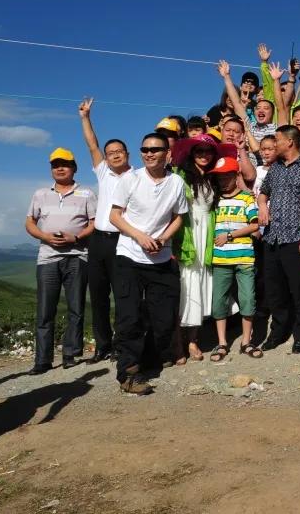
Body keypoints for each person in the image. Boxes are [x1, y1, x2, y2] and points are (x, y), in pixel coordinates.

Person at [109, 132, 188, 395]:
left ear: (167, 153)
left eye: (155, 149)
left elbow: (179, 216)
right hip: (129, 255)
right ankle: (128, 373)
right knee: (129, 316)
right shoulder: (130, 179)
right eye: (145, 150)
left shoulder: (176, 183)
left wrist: (163, 238)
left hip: (161, 257)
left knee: (163, 318)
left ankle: (150, 359)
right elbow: (115, 216)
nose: (149, 154)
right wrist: (140, 237)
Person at [24, 148, 97, 374]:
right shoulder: (40, 194)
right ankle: (42, 360)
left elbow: (94, 223)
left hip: (77, 256)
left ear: (74, 168)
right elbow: (29, 222)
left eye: (64, 164)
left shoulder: (87, 193)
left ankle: (70, 354)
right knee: (45, 310)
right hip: (47, 257)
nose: (60, 168)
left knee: (76, 307)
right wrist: (44, 236)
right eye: (55, 165)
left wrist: (76, 237)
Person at [257, 125, 300, 353]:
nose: (274, 144)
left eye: (277, 140)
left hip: (297, 237)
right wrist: (262, 205)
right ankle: (278, 331)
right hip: (272, 237)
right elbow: (263, 193)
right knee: (275, 290)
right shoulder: (275, 168)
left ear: (290, 142)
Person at [78, 97, 131, 363]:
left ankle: (121, 345)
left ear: (127, 153)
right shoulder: (103, 172)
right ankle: (102, 345)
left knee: (122, 296)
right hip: (98, 241)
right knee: (98, 296)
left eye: (119, 151)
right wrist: (85, 117)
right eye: (110, 153)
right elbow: (92, 145)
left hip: (123, 241)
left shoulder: (137, 177)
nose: (114, 155)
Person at [169, 133, 225, 363]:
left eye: (208, 151)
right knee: (184, 287)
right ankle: (177, 342)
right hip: (186, 233)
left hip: (206, 237)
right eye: (199, 151)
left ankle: (193, 340)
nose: (203, 155)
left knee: (200, 286)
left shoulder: (213, 178)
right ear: (192, 154)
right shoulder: (179, 176)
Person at [208, 156, 263, 361]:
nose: (223, 180)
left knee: (248, 299)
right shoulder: (214, 200)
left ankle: (246, 341)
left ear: (236, 175)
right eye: (220, 177)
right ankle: (222, 343)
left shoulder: (247, 198)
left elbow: (255, 224)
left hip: (244, 258)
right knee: (218, 301)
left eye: (227, 176)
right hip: (220, 259)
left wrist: (229, 236)